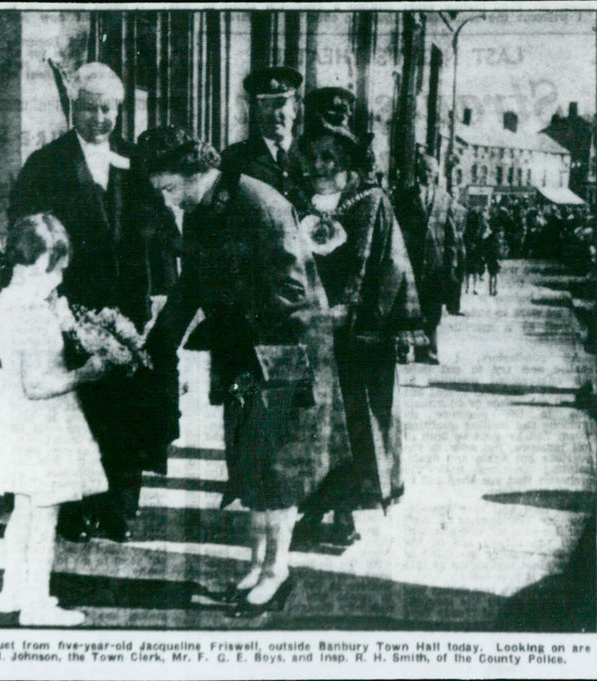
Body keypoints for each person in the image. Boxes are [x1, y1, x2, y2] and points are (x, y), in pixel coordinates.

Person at [137, 126, 349, 616]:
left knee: (278, 471)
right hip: (248, 355)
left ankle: (278, 570)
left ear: (195, 172)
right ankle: (257, 564)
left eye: (170, 189)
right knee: (250, 467)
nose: (170, 203)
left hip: (283, 355)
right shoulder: (205, 208)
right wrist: (156, 342)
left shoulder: (258, 202)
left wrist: (230, 320)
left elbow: (291, 293)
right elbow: (192, 281)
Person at [9, 62, 179, 543]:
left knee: (129, 407)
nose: (100, 117)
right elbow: (26, 230)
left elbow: (163, 229)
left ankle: (121, 508)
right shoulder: (47, 164)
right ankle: (75, 511)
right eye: (90, 107)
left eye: (108, 108)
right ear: (73, 108)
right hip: (73, 305)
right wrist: (46, 295)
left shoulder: (138, 160)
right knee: (79, 410)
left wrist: (163, 289)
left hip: (132, 305)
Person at [292, 87, 424, 549]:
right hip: (309, 335)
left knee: (353, 425)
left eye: (330, 155)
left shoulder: (372, 202)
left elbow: (393, 267)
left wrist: (368, 318)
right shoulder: (293, 201)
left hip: (358, 337)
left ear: (346, 156)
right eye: (313, 155)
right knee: (310, 425)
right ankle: (310, 510)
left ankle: (345, 511)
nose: (321, 165)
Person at [0, 213, 108, 626]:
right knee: (43, 515)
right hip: (40, 421)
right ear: (36, 261)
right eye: (56, 267)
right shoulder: (25, 309)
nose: (60, 277)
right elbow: (35, 384)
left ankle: (13, 594)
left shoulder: (15, 301)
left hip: (20, 420)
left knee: (26, 512)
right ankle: (36, 604)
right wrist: (86, 374)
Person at [394, 153, 460, 365]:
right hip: (410, 262)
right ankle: (402, 349)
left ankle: (428, 351)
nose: (427, 174)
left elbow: (451, 236)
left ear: (436, 173)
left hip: (435, 265)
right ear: (418, 171)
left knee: (432, 310)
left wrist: (451, 264)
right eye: (423, 170)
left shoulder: (444, 199)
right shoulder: (405, 196)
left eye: (431, 171)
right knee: (406, 307)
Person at [220, 66, 308, 213]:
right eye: (266, 106)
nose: (274, 114)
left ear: (295, 108)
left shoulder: (311, 153)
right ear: (254, 111)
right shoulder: (234, 158)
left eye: (280, 104)